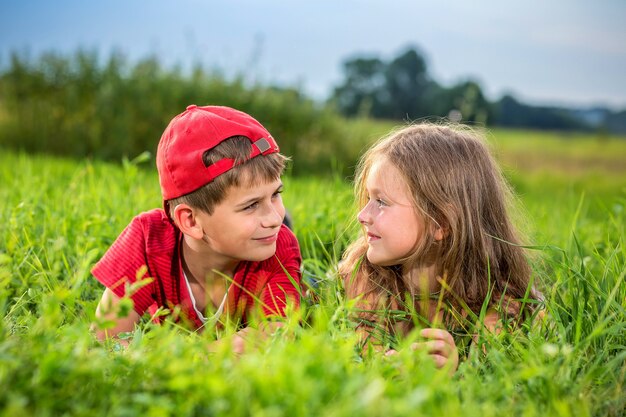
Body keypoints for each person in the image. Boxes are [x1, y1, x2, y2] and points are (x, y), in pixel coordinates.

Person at [91, 105, 301, 352]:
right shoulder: (147, 240)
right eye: (251, 205)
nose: (272, 218)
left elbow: (275, 336)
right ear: (190, 221)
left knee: (304, 273)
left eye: (276, 193)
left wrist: (173, 362)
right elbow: (105, 339)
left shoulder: (277, 243)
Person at [340, 123, 541, 372]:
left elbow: (488, 373)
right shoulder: (367, 273)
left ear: (440, 222)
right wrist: (390, 365)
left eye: (381, 202)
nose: (362, 214)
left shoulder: (500, 298)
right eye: (369, 198)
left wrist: (454, 370)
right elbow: (365, 352)